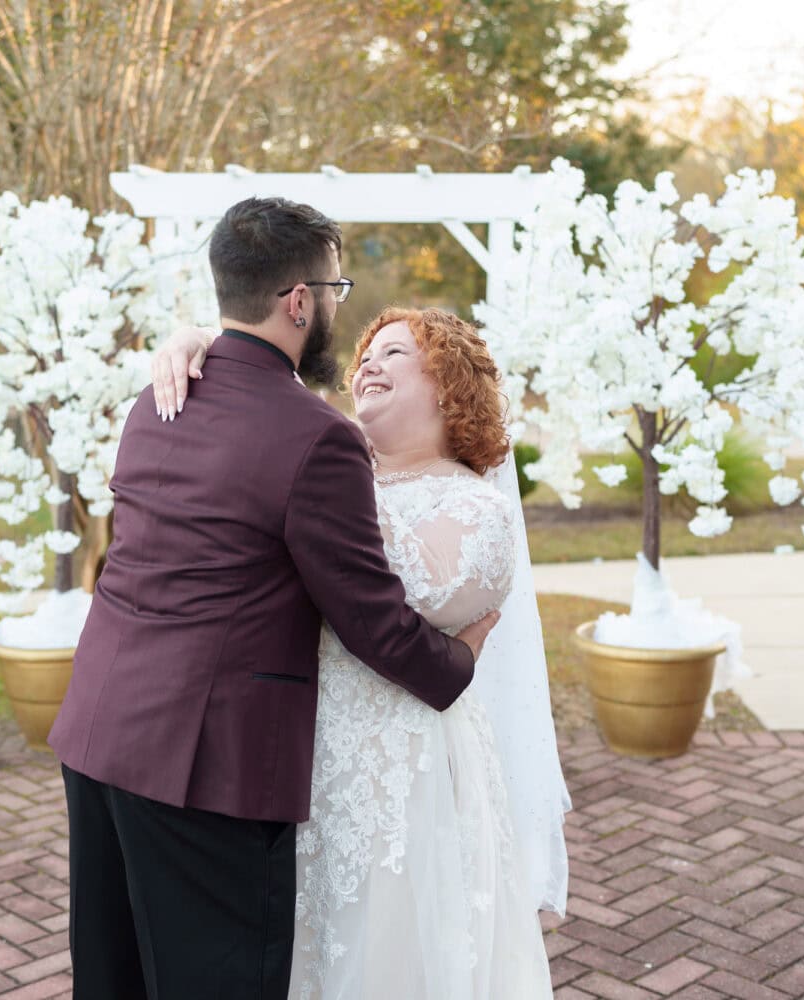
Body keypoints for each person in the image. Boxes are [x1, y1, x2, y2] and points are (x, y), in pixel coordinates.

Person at [47, 197, 501, 1000]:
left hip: (97, 732)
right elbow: (369, 616)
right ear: (299, 301)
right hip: (204, 765)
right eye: (334, 289)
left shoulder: (157, 398)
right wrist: (455, 662)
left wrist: (189, 337)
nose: (336, 307)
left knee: (113, 981)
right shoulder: (314, 436)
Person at [154, 306, 568, 999]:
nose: (368, 363)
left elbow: (430, 592)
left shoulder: (478, 509)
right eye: (365, 355)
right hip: (303, 762)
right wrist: (197, 341)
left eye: (396, 353)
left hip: (406, 776)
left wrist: (337, 472)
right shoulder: (327, 468)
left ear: (449, 386)